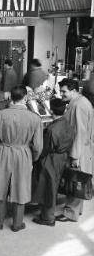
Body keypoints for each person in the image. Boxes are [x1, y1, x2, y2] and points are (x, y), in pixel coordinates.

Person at [0, 85, 43, 231]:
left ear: (11, 97)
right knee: (21, 188)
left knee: (1, 186)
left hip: (3, 151)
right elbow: (37, 145)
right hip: (23, 154)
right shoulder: (35, 118)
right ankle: (17, 224)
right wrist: (33, 158)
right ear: (25, 98)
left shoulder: (0, 114)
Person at [57, 78, 94, 222]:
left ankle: (70, 213)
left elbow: (80, 132)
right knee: (78, 180)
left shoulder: (78, 106)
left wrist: (75, 156)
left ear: (73, 91)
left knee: (74, 180)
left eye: (64, 91)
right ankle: (75, 210)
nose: (61, 94)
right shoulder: (80, 102)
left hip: (79, 149)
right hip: (83, 147)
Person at [32, 98, 73, 226]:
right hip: (62, 157)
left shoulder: (52, 129)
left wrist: (35, 158)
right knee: (53, 186)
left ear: (50, 110)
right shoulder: (68, 123)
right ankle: (47, 214)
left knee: (48, 187)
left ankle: (48, 218)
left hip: (51, 159)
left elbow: (45, 148)